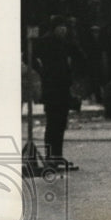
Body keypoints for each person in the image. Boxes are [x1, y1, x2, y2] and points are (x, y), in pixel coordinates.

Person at [34, 17, 82, 170]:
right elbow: (29, 57)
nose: (63, 29)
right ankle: (51, 158)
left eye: (65, 27)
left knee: (61, 123)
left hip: (63, 86)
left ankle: (57, 156)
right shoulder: (45, 41)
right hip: (51, 87)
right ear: (54, 28)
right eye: (61, 26)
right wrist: (42, 71)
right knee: (53, 123)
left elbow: (79, 55)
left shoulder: (65, 42)